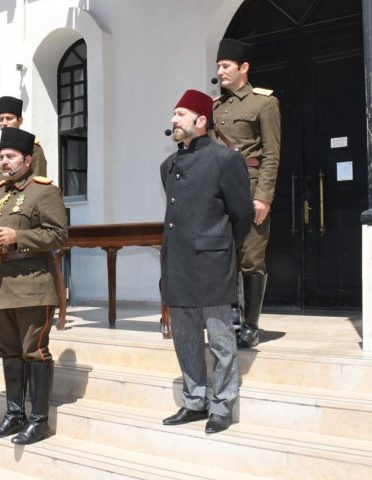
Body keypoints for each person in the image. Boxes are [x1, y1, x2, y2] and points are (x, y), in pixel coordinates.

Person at [160, 90, 254, 434]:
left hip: (212, 265)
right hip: (178, 265)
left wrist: (221, 248)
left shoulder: (225, 160)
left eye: (180, 114)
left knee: (220, 342)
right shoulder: (168, 166)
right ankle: (194, 401)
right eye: (173, 114)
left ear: (200, 121)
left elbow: (241, 215)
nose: (173, 120)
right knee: (184, 341)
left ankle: (222, 406)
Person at [0, 127, 67, 445]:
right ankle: (14, 414)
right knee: (9, 352)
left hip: (32, 283)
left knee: (35, 351)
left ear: (27, 159)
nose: (4, 161)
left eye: (11, 156)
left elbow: (59, 235)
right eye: (1, 156)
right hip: (0, 285)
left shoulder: (43, 192)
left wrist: (20, 237)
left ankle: (39, 420)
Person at [212, 38, 282, 348]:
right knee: (225, 257)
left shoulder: (264, 102)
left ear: (243, 68)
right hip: (220, 192)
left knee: (251, 259)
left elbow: (272, 153)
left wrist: (264, 195)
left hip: (251, 186)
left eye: (225, 66)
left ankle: (250, 326)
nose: (220, 72)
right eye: (218, 67)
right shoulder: (215, 107)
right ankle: (231, 322)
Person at [0, 96, 47, 183]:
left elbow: (38, 183)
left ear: (20, 120)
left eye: (9, 118)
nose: (4, 123)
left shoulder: (33, 149)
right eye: (1, 119)